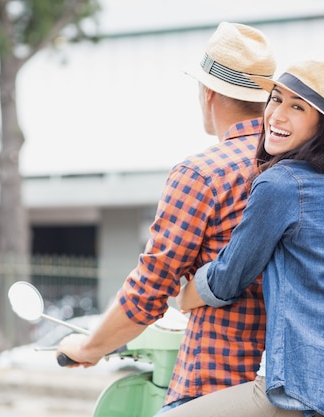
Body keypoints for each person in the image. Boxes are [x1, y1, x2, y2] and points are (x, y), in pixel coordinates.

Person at [56, 22, 276, 412]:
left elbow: (149, 290)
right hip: (291, 382)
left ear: (208, 92)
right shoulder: (303, 169)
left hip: (218, 382)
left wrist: (89, 347)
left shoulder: (203, 173)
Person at [164, 60, 324, 417]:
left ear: (322, 126)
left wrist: (186, 294)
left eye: (297, 107)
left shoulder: (281, 184)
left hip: (305, 387)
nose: (277, 115)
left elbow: (229, 276)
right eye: (275, 99)